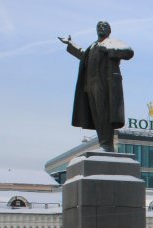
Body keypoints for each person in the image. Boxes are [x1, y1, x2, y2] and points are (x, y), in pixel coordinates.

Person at [59, 21, 134, 152]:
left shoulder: (112, 42)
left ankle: (107, 145)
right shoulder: (92, 46)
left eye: (104, 26)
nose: (101, 27)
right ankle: (103, 144)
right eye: (99, 26)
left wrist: (111, 50)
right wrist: (71, 44)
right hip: (91, 85)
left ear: (109, 31)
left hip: (106, 84)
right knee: (97, 116)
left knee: (104, 113)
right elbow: (83, 55)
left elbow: (129, 52)